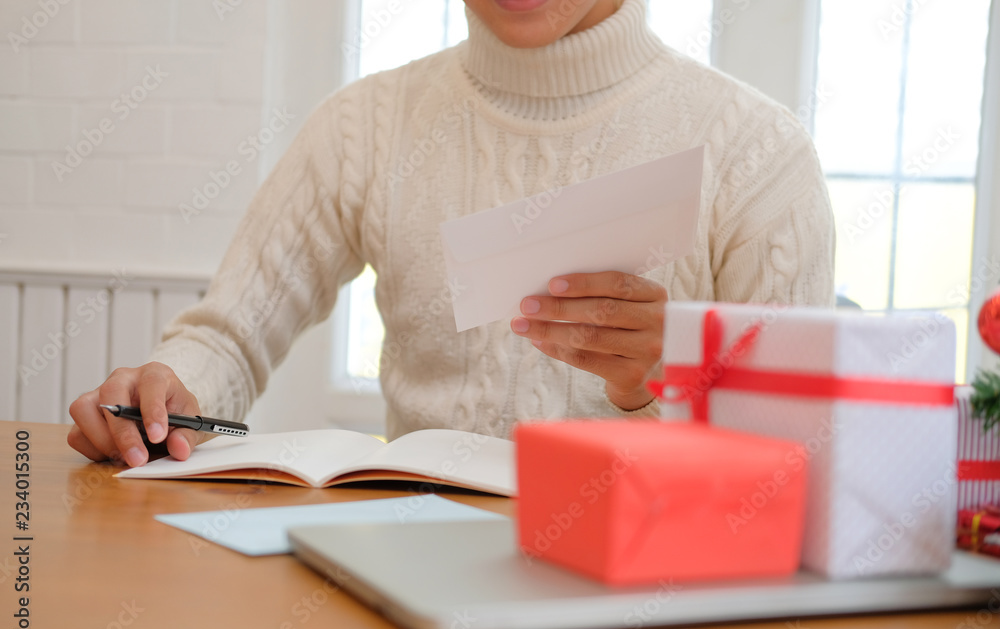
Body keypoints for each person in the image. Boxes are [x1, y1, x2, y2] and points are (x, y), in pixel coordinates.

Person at [67, 0, 835, 467]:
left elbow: (796, 469)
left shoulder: (758, 155)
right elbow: (229, 336)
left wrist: (675, 380)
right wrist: (165, 394)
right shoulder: (367, 126)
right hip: (409, 588)